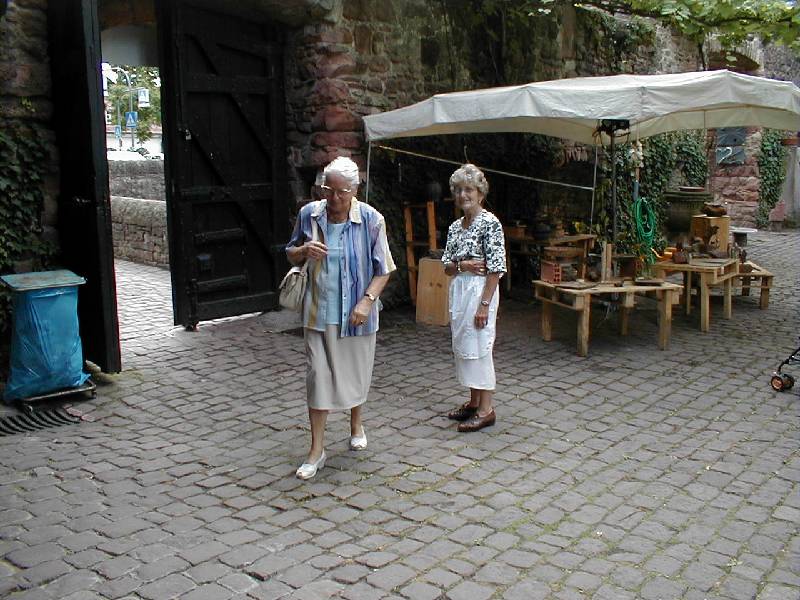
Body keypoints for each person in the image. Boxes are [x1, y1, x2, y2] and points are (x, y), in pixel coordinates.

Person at [286, 156, 396, 479]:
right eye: (327, 190)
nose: (333, 198)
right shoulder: (309, 214)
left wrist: (367, 301)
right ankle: (316, 449)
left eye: (341, 192)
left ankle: (356, 423)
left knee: (355, 375)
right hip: (317, 311)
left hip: (356, 315)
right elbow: (289, 252)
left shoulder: (372, 220)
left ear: (355, 190)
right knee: (317, 377)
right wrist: (304, 250)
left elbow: (384, 269)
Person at [441, 164, 506, 432]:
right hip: (460, 290)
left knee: (480, 346)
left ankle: (486, 410)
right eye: (458, 190)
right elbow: (447, 266)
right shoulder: (455, 227)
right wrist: (463, 265)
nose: (463, 195)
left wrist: (484, 305)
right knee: (465, 345)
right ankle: (473, 402)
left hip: (481, 291)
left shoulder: (490, 223)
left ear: (480, 193)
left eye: (469, 189)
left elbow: (496, 268)